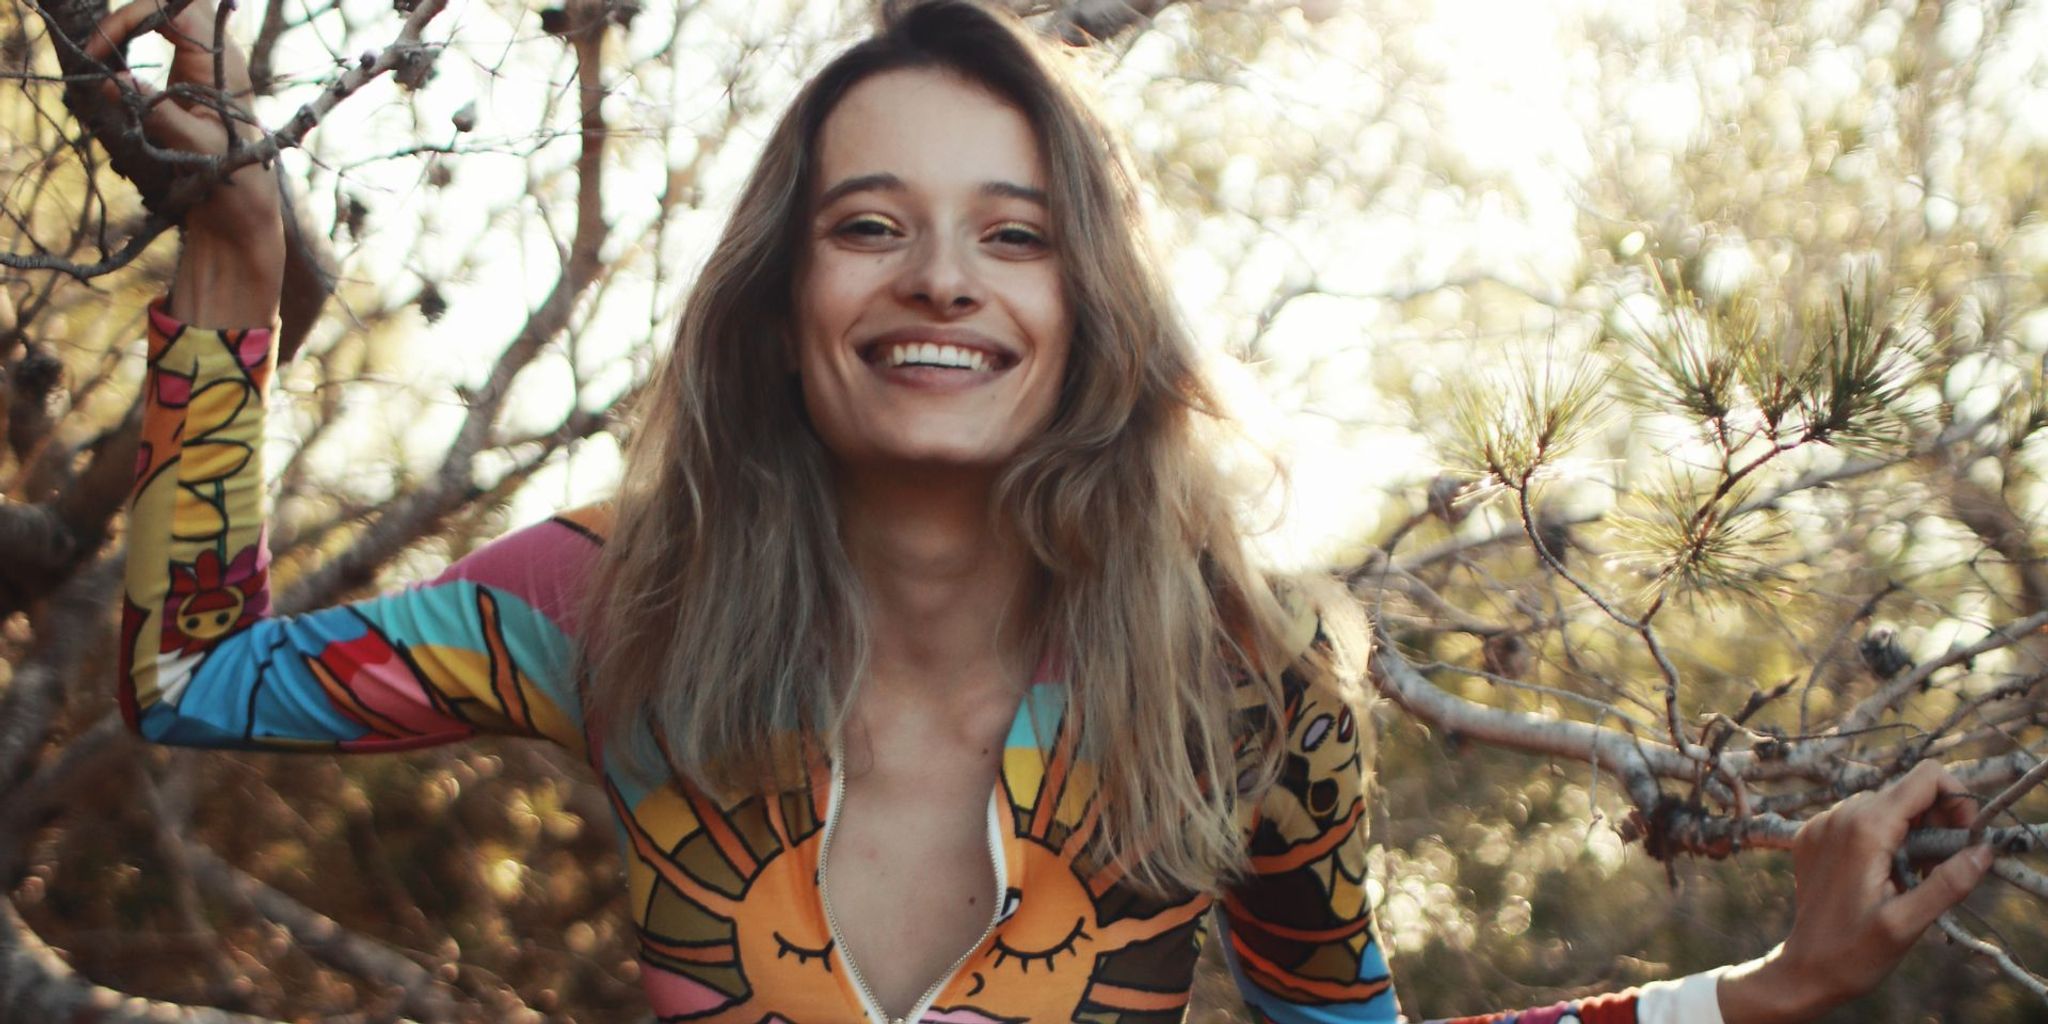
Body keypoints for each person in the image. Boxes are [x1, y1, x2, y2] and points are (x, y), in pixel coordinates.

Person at [92, 0, 1995, 1021]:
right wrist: (237, 260)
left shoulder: (1248, 679)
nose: (941, 277)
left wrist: (1768, 993)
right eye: (869, 224)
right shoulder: (610, 601)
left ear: (1093, 305)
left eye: (1014, 234)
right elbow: (190, 679)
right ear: (780, 294)